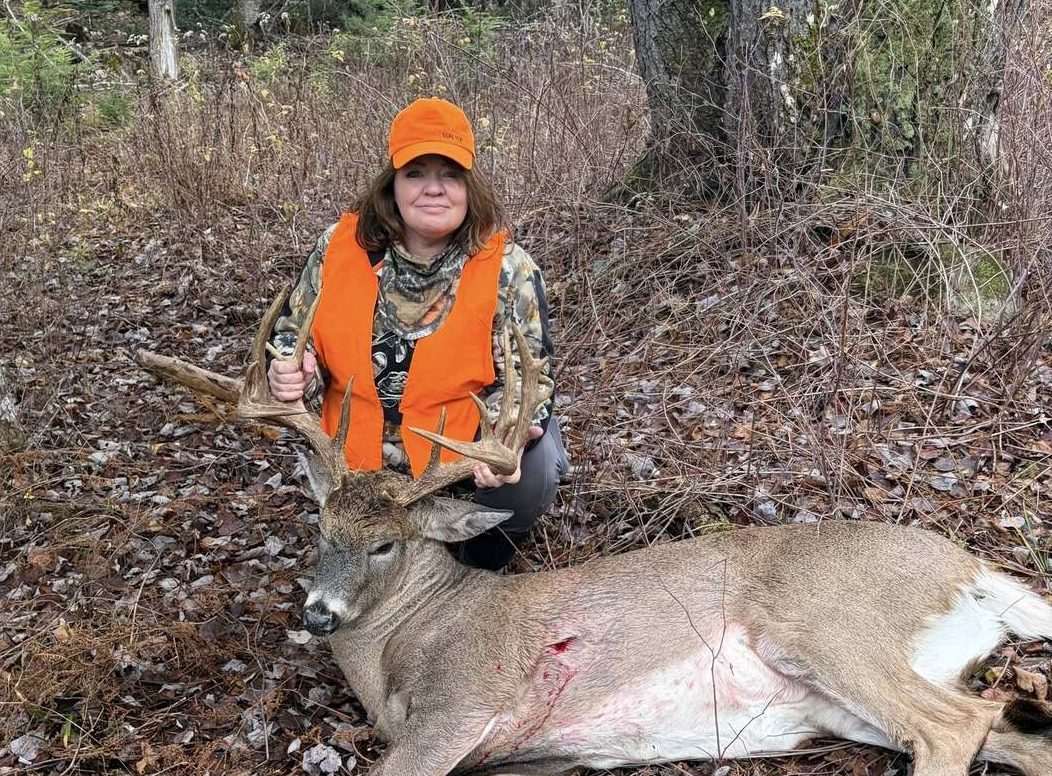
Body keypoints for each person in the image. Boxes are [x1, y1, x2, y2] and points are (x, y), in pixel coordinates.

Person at [266, 98, 570, 570]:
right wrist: (291, 371)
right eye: (415, 173)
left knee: (531, 471)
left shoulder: (507, 268)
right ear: (392, 185)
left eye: (449, 174)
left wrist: (506, 437)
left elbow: (529, 377)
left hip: (454, 458)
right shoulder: (339, 248)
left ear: (469, 187)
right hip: (358, 455)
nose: (433, 188)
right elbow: (291, 336)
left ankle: (477, 568)